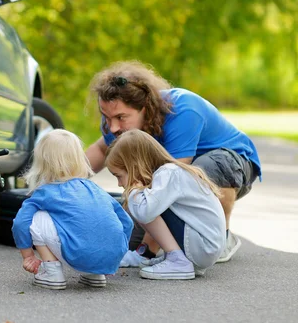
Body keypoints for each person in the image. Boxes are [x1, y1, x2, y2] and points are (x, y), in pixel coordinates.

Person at [85, 60, 261, 266]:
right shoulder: (116, 124)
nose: (113, 127)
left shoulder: (183, 110)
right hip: (180, 177)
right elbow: (100, 149)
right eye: (106, 117)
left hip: (233, 165)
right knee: (126, 231)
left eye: (120, 117)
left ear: (145, 106)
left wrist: (147, 251)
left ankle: (222, 235)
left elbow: (172, 183)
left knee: (201, 169)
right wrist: (62, 182)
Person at [11, 129, 133, 290]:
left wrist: (28, 255)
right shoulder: (95, 189)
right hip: (110, 260)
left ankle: (52, 272)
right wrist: (115, 253)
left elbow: (20, 223)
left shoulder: (44, 192)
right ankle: (94, 275)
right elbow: (127, 222)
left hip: (77, 254)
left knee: (36, 216)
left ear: (42, 162)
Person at [105, 129, 226, 279]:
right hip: (202, 246)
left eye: (119, 176)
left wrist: (134, 190)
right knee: (147, 204)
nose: (119, 183)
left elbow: (146, 213)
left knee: (144, 206)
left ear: (134, 166)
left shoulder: (169, 174)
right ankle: (169, 256)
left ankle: (178, 260)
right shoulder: (167, 174)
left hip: (203, 246)